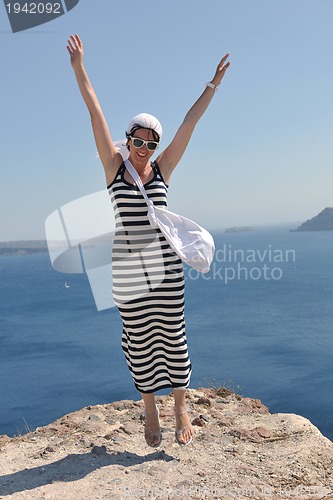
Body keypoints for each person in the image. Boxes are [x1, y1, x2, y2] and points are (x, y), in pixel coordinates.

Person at [66, 34, 230, 447]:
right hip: (126, 267)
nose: (143, 148)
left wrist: (211, 86)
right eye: (137, 141)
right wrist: (79, 67)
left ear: (157, 146)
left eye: (150, 143)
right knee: (138, 340)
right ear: (128, 139)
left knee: (173, 334)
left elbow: (190, 124)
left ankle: (179, 405)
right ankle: (151, 408)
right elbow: (94, 110)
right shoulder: (113, 168)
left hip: (165, 267)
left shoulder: (163, 169)